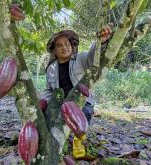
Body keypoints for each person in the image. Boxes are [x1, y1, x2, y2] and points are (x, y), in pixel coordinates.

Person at [40, 26, 112, 159]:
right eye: (59, 45)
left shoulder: (81, 58)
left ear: (71, 45)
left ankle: (78, 141)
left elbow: (93, 55)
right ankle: (50, 142)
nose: (64, 47)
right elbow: (48, 89)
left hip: (81, 101)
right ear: (54, 50)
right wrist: (47, 104)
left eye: (67, 44)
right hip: (61, 102)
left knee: (86, 112)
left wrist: (100, 42)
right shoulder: (51, 68)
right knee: (45, 115)